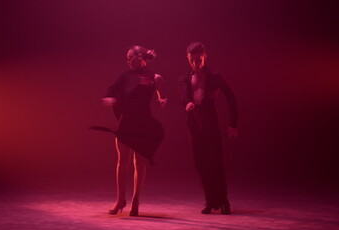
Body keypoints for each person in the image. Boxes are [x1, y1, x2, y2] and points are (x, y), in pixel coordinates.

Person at [102, 45, 167, 216]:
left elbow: (161, 93)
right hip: (127, 122)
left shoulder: (155, 77)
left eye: (130, 57)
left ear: (140, 57)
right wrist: (109, 97)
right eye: (127, 58)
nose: (128, 60)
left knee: (140, 162)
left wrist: (163, 100)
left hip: (144, 123)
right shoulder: (125, 76)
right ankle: (120, 200)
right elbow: (112, 88)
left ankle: (136, 201)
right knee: (122, 160)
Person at [179, 42, 238, 215]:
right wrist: (188, 103)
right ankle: (210, 200)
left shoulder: (215, 76)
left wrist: (233, 124)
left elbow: (231, 99)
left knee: (216, 162)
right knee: (200, 163)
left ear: (205, 57)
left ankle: (223, 201)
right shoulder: (184, 77)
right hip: (194, 124)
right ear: (187, 59)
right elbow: (183, 95)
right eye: (191, 60)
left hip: (210, 122)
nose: (195, 63)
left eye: (198, 59)